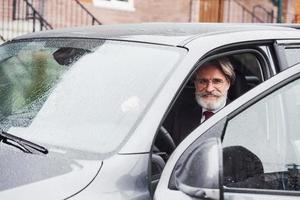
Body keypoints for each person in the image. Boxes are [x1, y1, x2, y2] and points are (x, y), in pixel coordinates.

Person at [165, 57, 236, 145]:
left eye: (217, 81)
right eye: (203, 81)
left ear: (228, 84)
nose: (209, 89)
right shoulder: (178, 115)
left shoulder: (240, 117)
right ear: (195, 84)